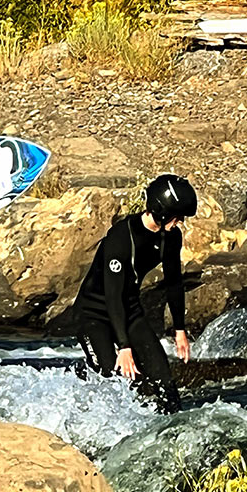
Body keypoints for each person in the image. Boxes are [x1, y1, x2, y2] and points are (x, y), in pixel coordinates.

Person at [74, 174, 197, 413]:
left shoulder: (171, 236)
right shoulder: (121, 237)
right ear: (161, 212)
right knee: (116, 378)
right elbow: (112, 294)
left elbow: (174, 281)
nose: (180, 222)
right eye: (178, 216)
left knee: (163, 380)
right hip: (94, 314)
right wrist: (124, 347)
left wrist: (179, 330)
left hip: (129, 310)